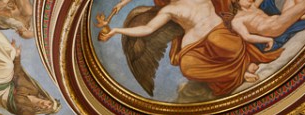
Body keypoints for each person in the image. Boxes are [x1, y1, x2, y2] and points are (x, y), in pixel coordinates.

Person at [98, 0, 281, 97]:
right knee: (187, 67)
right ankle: (239, 72)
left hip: (217, 32)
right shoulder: (168, 10)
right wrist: (115, 30)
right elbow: (148, 29)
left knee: (222, 42)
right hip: (193, 45)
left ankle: (243, 65)